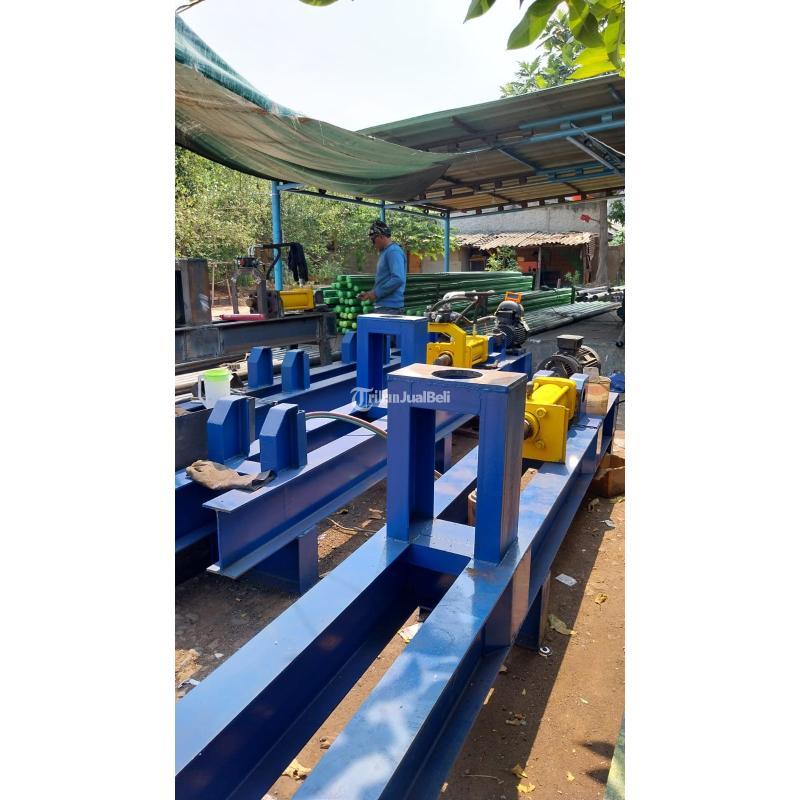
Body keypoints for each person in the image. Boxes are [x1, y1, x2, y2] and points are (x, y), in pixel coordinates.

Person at [357, 220, 406, 313]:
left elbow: (398, 279)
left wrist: (376, 293)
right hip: (385, 307)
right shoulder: (386, 252)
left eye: (373, 240)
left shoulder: (393, 252)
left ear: (381, 236)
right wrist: (369, 294)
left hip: (390, 308)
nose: (373, 243)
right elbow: (384, 280)